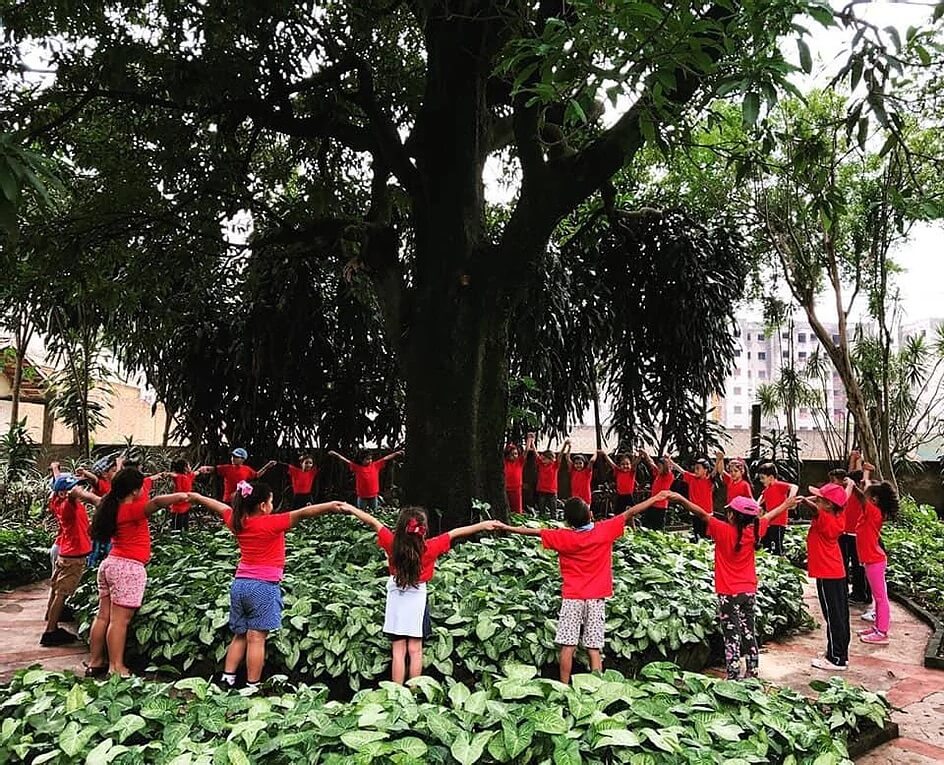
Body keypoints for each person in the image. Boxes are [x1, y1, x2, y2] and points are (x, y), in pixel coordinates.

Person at [187, 483, 351, 690]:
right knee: (256, 639)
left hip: (240, 585)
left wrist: (197, 497)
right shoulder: (272, 523)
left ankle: (227, 679)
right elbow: (304, 513)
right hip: (263, 587)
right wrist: (331, 506)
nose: (273, 505)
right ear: (263, 505)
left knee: (240, 635)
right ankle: (252, 686)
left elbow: (218, 506)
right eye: (271, 501)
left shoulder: (236, 520)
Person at [497, 491, 672, 683]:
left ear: (568, 521)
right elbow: (630, 513)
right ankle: (596, 687)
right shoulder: (604, 530)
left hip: (573, 597)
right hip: (596, 597)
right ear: (589, 513)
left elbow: (534, 532)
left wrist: (505, 526)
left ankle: (564, 687)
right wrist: (656, 498)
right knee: (593, 647)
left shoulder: (563, 537)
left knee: (567, 646)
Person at [346, 505, 501, 684]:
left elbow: (372, 521)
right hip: (418, 599)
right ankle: (413, 693)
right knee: (415, 649)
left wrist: (348, 507)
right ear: (424, 530)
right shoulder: (430, 548)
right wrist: (484, 525)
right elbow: (456, 533)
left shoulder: (392, 543)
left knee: (398, 650)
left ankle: (395, 693)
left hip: (396, 597)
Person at [668, 490, 798, 680]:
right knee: (748, 631)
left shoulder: (722, 530)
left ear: (732, 515)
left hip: (728, 592)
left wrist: (680, 498)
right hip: (748, 589)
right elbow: (770, 515)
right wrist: (786, 504)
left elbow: (702, 514)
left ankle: (733, 674)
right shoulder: (755, 529)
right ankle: (752, 671)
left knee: (731, 633)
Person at [84, 468, 189, 677]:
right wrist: (184, 495)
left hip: (110, 565)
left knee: (103, 616)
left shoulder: (111, 507)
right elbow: (158, 502)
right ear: (134, 490)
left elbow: (93, 498)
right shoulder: (132, 510)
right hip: (127, 568)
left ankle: (95, 662)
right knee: (119, 621)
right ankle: (116, 667)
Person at [800, 483, 851, 672]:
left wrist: (805, 500)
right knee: (839, 615)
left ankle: (836, 658)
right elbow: (842, 498)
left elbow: (815, 509)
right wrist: (819, 499)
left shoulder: (826, 518)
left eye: (820, 499)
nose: (817, 500)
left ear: (828, 505)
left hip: (826, 572)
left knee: (833, 616)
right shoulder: (838, 514)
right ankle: (838, 653)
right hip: (834, 571)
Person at [41, 473, 94, 647]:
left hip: (67, 554)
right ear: (64, 493)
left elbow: (60, 489)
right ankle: (51, 631)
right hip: (73, 557)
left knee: (57, 590)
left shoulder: (57, 501)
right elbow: (71, 494)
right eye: (74, 487)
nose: (79, 489)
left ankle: (51, 619)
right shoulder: (68, 505)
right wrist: (93, 498)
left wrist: (57, 471)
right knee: (62, 593)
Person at [852, 470, 898, 646]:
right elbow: (867, 494)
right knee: (877, 596)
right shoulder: (869, 513)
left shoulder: (874, 512)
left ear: (874, 501)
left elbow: (861, 497)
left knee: (880, 597)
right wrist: (866, 479)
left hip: (875, 561)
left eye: (868, 496)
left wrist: (852, 485)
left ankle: (882, 632)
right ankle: (877, 626)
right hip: (871, 560)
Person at [837, 452, 870, 604]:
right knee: (850, 565)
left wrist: (863, 470)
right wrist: (853, 460)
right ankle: (852, 593)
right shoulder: (852, 491)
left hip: (854, 534)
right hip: (847, 533)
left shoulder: (862, 494)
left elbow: (856, 479)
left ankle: (859, 594)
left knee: (857, 566)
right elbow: (853, 475)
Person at [327, 448, 403, 510]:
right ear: (361, 460)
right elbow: (346, 461)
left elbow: (386, 458)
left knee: (374, 512)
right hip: (362, 496)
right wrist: (336, 454)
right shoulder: (357, 468)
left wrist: (396, 453)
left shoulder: (375, 465)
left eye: (370, 459)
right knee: (361, 513)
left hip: (373, 495)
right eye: (367, 459)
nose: (370, 461)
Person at [201, 448, 276, 504]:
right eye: (233, 456)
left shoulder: (247, 469)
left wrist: (267, 466)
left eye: (236, 457)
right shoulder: (226, 468)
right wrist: (205, 468)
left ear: (243, 459)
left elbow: (257, 475)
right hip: (229, 500)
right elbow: (214, 469)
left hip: (240, 499)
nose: (233, 459)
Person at [756, 463, 798, 555]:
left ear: (771, 477)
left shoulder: (778, 485)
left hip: (778, 522)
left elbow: (794, 487)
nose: (761, 480)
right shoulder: (766, 490)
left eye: (763, 478)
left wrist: (790, 498)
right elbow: (760, 499)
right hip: (769, 522)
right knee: (766, 544)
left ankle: (780, 560)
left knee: (777, 546)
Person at [671, 456, 715, 542]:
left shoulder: (708, 480)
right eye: (695, 468)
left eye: (698, 468)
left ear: (705, 470)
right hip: (694, 512)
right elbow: (682, 471)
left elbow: (715, 473)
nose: (696, 470)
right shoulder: (692, 478)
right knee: (696, 534)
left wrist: (718, 460)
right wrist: (671, 462)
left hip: (706, 513)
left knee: (706, 536)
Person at [528, 439, 567, 518]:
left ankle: (554, 520)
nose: (543, 461)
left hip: (552, 491)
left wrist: (565, 445)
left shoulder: (555, 465)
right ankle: (542, 520)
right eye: (542, 459)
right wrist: (532, 442)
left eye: (544, 459)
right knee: (541, 508)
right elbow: (536, 454)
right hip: (541, 490)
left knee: (553, 509)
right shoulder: (541, 464)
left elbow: (560, 455)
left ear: (550, 459)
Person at [639, 452, 677, 531]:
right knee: (646, 524)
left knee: (658, 527)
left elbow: (669, 468)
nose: (658, 467)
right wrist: (646, 454)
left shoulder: (668, 476)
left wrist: (668, 460)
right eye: (658, 466)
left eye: (660, 466)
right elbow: (651, 462)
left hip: (661, 506)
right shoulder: (658, 474)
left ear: (665, 467)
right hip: (652, 503)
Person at [598, 451, 641, 517]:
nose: (625, 466)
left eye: (627, 464)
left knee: (632, 513)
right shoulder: (618, 471)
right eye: (623, 464)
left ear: (630, 465)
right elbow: (611, 463)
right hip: (620, 496)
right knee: (618, 514)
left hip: (629, 496)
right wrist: (605, 455)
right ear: (619, 465)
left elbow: (635, 464)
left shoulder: (631, 472)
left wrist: (640, 456)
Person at [503, 434, 532, 514]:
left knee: (517, 510)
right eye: (512, 454)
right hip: (506, 489)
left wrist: (529, 440)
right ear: (508, 455)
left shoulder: (519, 462)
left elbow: (526, 451)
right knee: (507, 509)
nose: (514, 456)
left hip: (516, 489)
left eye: (516, 454)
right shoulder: (504, 462)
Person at [168, 460, 198, 531]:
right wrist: (166, 474)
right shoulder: (179, 477)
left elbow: (195, 473)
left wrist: (202, 470)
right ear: (185, 468)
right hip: (178, 508)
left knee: (185, 527)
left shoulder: (188, 476)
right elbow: (174, 475)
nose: (190, 467)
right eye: (188, 465)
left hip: (186, 506)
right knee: (176, 529)